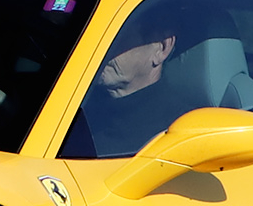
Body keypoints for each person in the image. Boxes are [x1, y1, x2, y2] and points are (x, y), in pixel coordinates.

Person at [72, 10, 194, 157]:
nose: (103, 49)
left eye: (118, 38)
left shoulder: (177, 133)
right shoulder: (73, 102)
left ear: (162, 48)